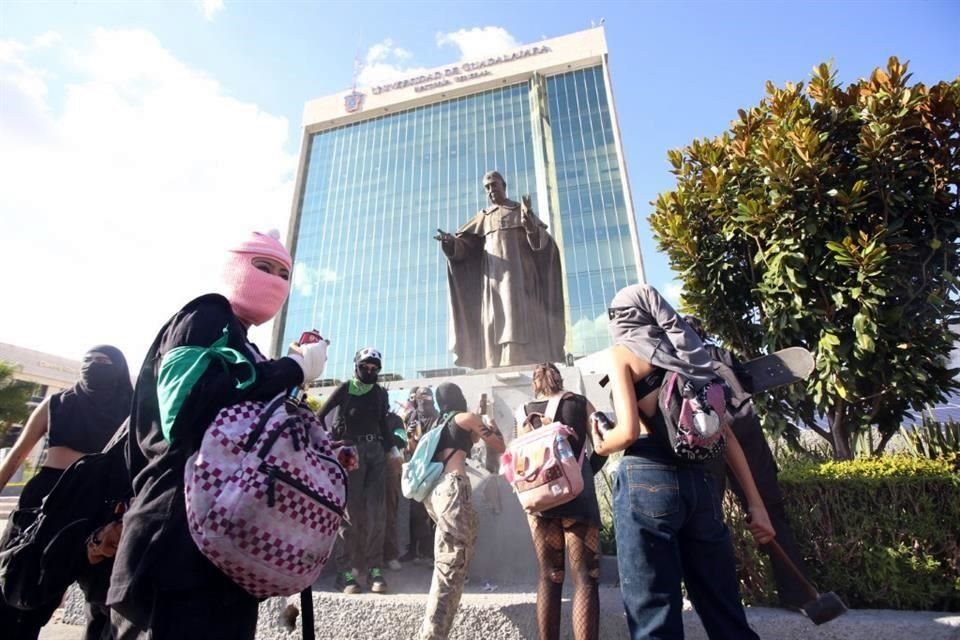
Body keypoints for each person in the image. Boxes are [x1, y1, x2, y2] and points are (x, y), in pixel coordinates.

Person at [107, 230, 329, 640]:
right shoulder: (207, 314)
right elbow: (186, 409)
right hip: (176, 539)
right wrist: (292, 369)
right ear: (234, 265)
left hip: (223, 548)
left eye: (284, 273)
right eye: (262, 266)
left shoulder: (244, 342)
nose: (274, 280)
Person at [591, 284, 775, 640]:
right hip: (702, 481)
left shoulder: (623, 353)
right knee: (725, 612)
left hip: (648, 476)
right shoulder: (693, 356)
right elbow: (726, 435)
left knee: (654, 615)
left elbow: (627, 433)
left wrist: (600, 440)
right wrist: (756, 504)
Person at [0, 346, 132, 640]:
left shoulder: (132, 409)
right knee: (21, 587)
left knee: (101, 601)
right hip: (44, 504)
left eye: (103, 362)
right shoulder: (56, 403)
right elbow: (17, 456)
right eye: (89, 361)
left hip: (100, 509)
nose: (94, 366)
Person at [683, 315, 813, 610]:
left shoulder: (677, 365)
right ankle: (799, 596)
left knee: (707, 522)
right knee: (770, 512)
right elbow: (747, 383)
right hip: (747, 431)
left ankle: (713, 597)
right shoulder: (721, 356)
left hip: (710, 437)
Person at [435, 170, 565, 369]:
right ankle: (494, 358)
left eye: (494, 185)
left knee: (517, 313)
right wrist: (450, 243)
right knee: (495, 317)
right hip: (493, 275)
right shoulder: (484, 216)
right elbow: (467, 247)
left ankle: (520, 357)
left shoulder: (519, 210)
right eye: (487, 187)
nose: (490, 190)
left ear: (503, 185)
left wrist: (529, 223)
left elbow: (541, 242)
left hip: (521, 273)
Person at [517, 363, 606, 640]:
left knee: (549, 576)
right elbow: (603, 443)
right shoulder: (579, 403)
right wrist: (584, 472)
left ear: (535, 383)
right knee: (586, 577)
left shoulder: (523, 412)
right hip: (578, 499)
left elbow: (521, 463)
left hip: (541, 504)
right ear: (559, 378)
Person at [417, 382, 505, 640]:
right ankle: (432, 635)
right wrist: (489, 421)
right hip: (454, 488)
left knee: (452, 560)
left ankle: (435, 631)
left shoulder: (438, 425)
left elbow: (473, 439)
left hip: (435, 493)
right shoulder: (465, 417)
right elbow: (497, 445)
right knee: (450, 566)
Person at [317, 347, 397, 594]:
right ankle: (345, 572)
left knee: (377, 511)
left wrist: (392, 448)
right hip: (350, 452)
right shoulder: (345, 388)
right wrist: (331, 443)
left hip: (376, 452)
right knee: (350, 512)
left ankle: (374, 568)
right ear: (356, 367)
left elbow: (384, 423)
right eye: (365, 367)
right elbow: (319, 417)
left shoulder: (380, 393)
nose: (370, 371)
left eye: (374, 368)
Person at [400, 387, 437, 565]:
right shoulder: (411, 417)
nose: (424, 400)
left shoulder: (438, 417)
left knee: (433, 514)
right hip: (416, 470)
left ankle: (431, 553)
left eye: (427, 397)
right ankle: (414, 550)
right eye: (420, 397)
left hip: (434, 469)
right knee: (415, 513)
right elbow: (408, 448)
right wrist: (409, 437)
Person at [383, 411, 406, 571]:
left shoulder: (394, 419)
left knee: (389, 513)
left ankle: (390, 555)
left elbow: (402, 439)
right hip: (366, 467)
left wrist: (383, 440)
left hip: (389, 466)